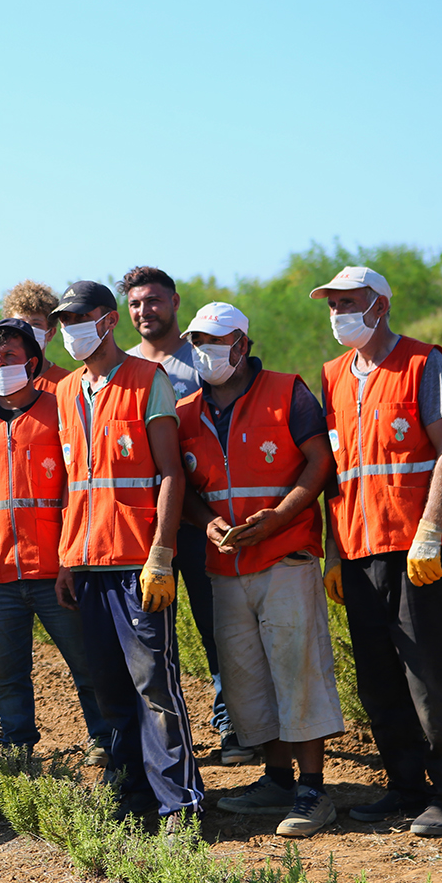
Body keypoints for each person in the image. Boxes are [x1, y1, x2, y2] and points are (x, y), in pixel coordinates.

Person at [313, 266, 442, 838]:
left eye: (349, 303)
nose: (338, 314)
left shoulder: (421, 363)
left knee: (430, 677)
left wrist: (430, 530)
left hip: (416, 552)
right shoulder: (333, 376)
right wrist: (334, 554)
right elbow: (340, 474)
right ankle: (405, 787)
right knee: (379, 680)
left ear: (380, 305)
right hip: (358, 551)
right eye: (332, 305)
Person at [174, 302, 345, 838]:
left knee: (297, 669)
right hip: (225, 566)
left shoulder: (287, 392)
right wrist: (205, 525)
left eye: (215, 340)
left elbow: (320, 461)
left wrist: (279, 518)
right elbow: (186, 491)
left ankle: (313, 789)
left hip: (284, 556)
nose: (204, 350)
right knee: (248, 677)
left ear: (242, 344)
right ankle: (276, 778)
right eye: (197, 340)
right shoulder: (185, 413)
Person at [50, 280, 204, 829]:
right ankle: (131, 797)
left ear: (108, 320)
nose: (70, 331)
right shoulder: (67, 391)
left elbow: (169, 475)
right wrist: (66, 559)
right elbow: (74, 482)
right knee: (109, 689)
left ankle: (179, 804)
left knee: (154, 687)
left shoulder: (148, 381)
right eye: (63, 322)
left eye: (79, 318)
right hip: (86, 565)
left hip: (138, 564)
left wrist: (161, 554)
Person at [0, 318, 114, 758]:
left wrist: (70, 559)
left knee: (85, 661)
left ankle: (106, 739)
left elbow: (78, 486)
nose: (1, 364)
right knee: (8, 669)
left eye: (10, 356)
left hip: (56, 567)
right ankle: (16, 746)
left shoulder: (61, 408)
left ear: (32, 362)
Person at [120, 265, 245, 765]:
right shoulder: (123, 366)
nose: (144, 311)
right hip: (142, 526)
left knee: (217, 626)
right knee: (150, 637)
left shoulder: (203, 360)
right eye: (135, 303)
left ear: (174, 302)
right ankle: (166, 739)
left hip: (203, 522)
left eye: (153, 301)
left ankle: (233, 724)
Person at [0, 281, 72, 405]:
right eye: (20, 322)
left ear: (50, 333)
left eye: (36, 324)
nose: (27, 328)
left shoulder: (66, 382)